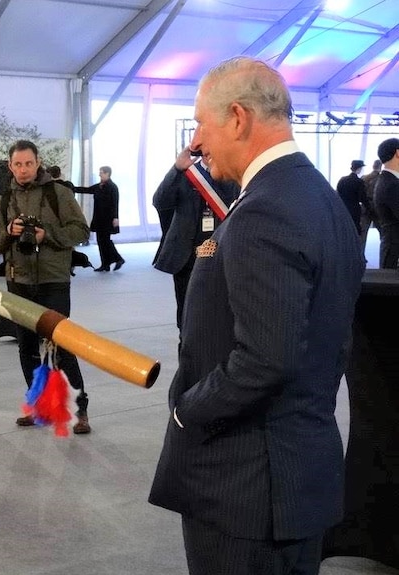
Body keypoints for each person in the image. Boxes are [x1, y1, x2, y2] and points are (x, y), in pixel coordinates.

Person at [149, 57, 364, 575]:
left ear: (239, 118)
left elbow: (267, 359)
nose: (198, 141)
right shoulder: (317, 197)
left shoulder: (267, 209)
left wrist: (187, 409)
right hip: (294, 473)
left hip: (248, 486)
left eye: (202, 123)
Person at [0, 140, 92, 434]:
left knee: (62, 345)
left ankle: (80, 410)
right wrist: (9, 231)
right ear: (10, 166)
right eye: (17, 164)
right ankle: (37, 405)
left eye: (28, 163)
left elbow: (81, 231)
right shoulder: (3, 202)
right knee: (28, 347)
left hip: (53, 281)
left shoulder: (59, 193)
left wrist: (48, 235)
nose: (23, 169)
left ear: (37, 162)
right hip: (19, 282)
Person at [152, 146, 239, 333]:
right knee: (186, 318)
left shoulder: (231, 175)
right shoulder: (186, 173)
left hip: (220, 257)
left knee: (219, 318)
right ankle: (187, 358)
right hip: (186, 259)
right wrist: (176, 168)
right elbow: (160, 201)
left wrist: (219, 173)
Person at [75, 166, 124, 271]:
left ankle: (117, 259)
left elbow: (115, 203)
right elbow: (87, 190)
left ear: (107, 174)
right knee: (101, 241)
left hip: (108, 218)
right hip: (99, 218)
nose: (99, 174)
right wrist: (71, 188)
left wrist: (115, 217)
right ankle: (106, 263)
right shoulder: (99, 186)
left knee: (105, 241)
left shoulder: (112, 187)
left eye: (101, 172)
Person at [373, 138, 399, 269]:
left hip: (391, 245)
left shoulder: (386, 180)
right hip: (395, 249)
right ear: (398, 153)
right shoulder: (392, 184)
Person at [336, 159, 368, 233]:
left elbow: (338, 193)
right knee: (355, 229)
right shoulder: (359, 182)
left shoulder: (342, 180)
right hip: (354, 209)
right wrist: (369, 208)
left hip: (343, 208)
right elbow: (362, 198)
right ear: (359, 168)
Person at [359, 158, 382, 249]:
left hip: (365, 207)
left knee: (363, 234)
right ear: (380, 167)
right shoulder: (382, 179)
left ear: (373, 166)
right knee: (383, 234)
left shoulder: (364, 178)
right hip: (377, 208)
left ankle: (361, 257)